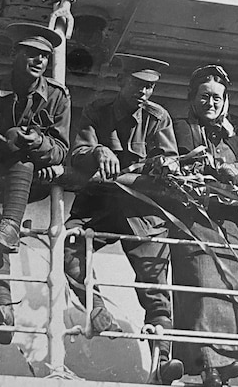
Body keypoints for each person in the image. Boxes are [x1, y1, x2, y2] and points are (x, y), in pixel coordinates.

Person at [62, 53, 184, 384]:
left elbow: (169, 166)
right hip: (99, 207)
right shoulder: (97, 110)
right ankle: (97, 310)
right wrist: (97, 152)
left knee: (156, 288)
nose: (145, 92)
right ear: (121, 81)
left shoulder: (158, 118)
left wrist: (144, 169)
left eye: (151, 87)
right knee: (70, 248)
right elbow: (77, 151)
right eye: (139, 84)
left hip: (141, 212)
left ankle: (162, 360)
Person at [0, 22, 70, 344]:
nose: (38, 61)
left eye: (44, 56)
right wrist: (6, 143)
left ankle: (10, 227)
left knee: (22, 164)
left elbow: (62, 149)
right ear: (15, 54)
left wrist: (37, 142)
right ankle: (5, 310)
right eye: (31, 54)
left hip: (31, 184)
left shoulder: (56, 95)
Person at [170, 65, 238, 387]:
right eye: (203, 97)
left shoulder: (234, 141)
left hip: (232, 229)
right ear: (192, 99)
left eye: (217, 98)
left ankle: (231, 362)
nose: (211, 103)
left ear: (226, 101)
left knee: (235, 290)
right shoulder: (179, 129)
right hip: (196, 224)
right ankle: (208, 365)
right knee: (204, 288)